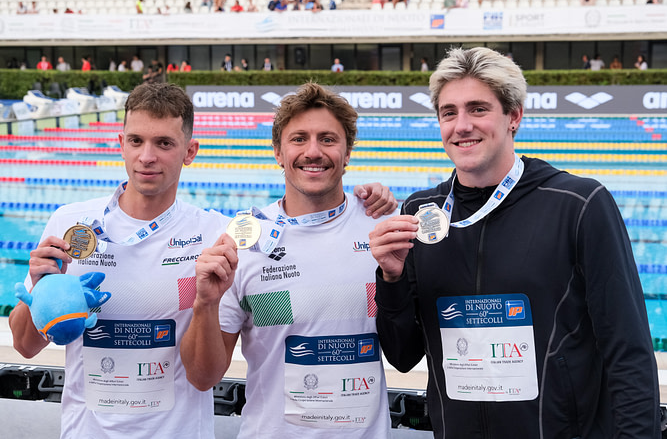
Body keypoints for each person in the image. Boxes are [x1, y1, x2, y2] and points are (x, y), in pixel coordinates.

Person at [368, 47, 660, 438]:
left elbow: (629, 351)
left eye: (478, 109)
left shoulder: (578, 204)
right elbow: (403, 356)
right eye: (449, 113)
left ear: (514, 116)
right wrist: (391, 279)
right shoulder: (424, 213)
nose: (462, 125)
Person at [8, 82, 227, 438]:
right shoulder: (70, 224)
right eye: (136, 141)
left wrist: (354, 202)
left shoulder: (213, 233)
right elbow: (25, 346)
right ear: (120, 144)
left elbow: (207, 376)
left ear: (190, 151)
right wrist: (42, 282)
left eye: (164, 143)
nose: (147, 156)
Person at [181, 82, 398, 438]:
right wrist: (205, 302)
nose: (313, 151)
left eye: (328, 139)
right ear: (278, 152)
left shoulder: (381, 230)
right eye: (299, 139)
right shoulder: (243, 242)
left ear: (347, 153)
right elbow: (203, 377)